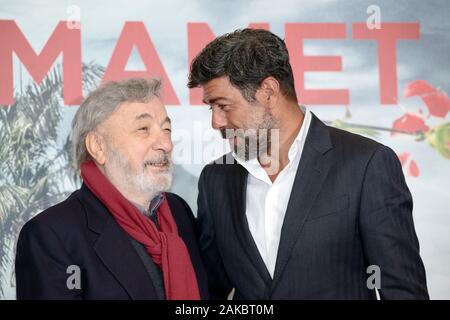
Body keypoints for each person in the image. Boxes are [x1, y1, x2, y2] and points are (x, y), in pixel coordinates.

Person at [188, 28, 429, 299]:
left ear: (268, 92)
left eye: (223, 105)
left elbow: (402, 292)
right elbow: (209, 290)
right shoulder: (215, 179)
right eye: (211, 108)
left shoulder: (366, 165)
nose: (215, 122)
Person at [15, 78, 208, 300]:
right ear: (98, 147)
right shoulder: (52, 235)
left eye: (166, 129)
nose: (166, 143)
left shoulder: (178, 211)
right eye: (143, 129)